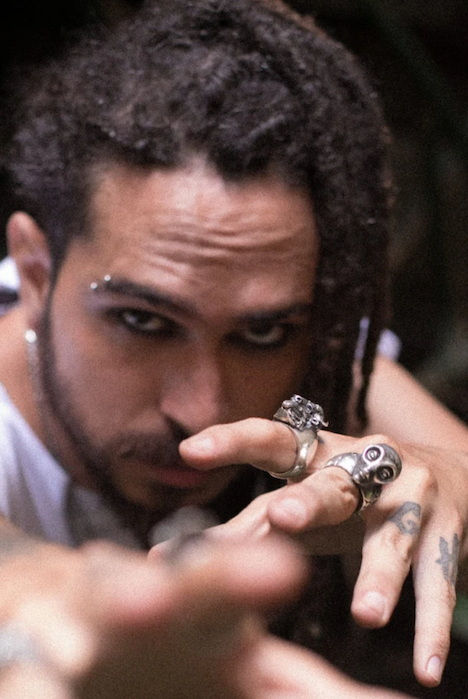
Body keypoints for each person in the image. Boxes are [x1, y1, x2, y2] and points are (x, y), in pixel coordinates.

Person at [1, 0, 468, 695]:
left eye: (261, 333)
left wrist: (443, 482)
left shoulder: (313, 357)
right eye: (143, 322)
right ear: (35, 273)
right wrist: (44, 598)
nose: (201, 410)